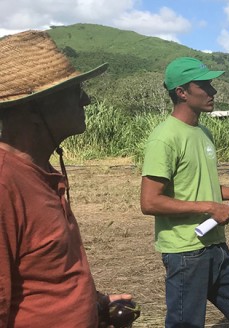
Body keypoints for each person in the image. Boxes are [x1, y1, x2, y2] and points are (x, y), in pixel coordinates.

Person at [0, 30, 133, 327]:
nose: (86, 99)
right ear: (33, 108)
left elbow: (44, 275)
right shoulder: (5, 183)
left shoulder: (41, 170)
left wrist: (95, 303)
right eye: (73, 91)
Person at [139, 57, 229, 328]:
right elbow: (150, 201)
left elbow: (198, 184)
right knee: (185, 323)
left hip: (215, 245)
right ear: (182, 92)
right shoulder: (164, 138)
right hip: (186, 251)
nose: (213, 91)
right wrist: (210, 208)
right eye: (204, 85)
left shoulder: (203, 132)